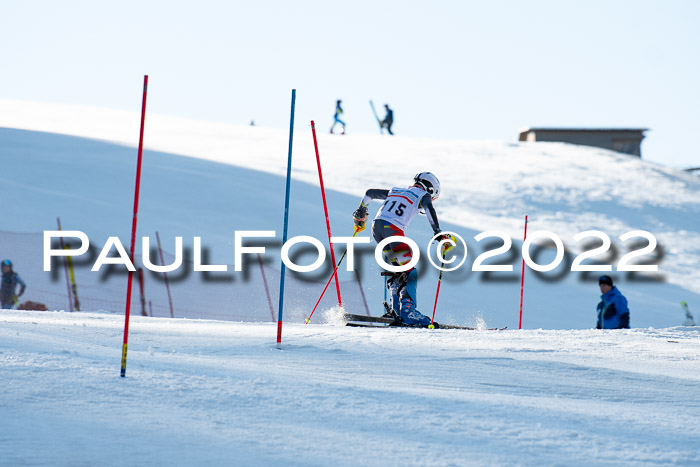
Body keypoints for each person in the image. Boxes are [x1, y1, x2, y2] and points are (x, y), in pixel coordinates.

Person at [352, 172, 449, 327]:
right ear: (431, 190)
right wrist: (438, 232)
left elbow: (369, 193)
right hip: (393, 229)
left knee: (399, 268)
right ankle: (408, 311)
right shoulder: (423, 195)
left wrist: (362, 210)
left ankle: (396, 310)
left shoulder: (396, 190)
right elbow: (429, 208)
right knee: (410, 270)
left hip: (377, 229)